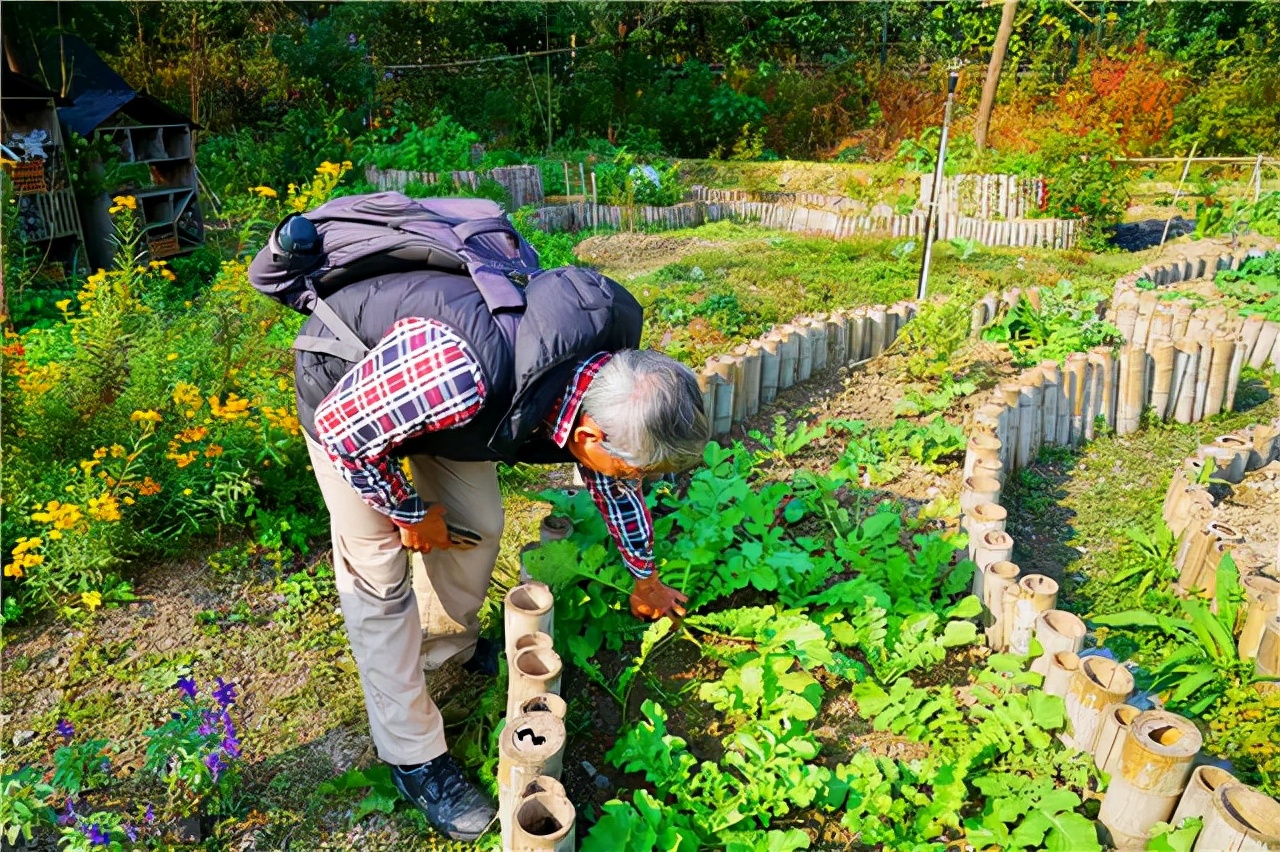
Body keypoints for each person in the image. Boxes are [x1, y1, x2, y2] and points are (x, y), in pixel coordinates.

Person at [285, 241, 710, 841]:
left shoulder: (605, 379)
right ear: (590, 434)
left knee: (477, 525)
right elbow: (343, 434)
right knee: (377, 580)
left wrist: (646, 577)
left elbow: (614, 483)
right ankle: (413, 756)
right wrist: (408, 513)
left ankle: (450, 645)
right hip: (346, 398)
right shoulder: (465, 373)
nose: (636, 480)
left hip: (429, 400)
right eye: (637, 469)